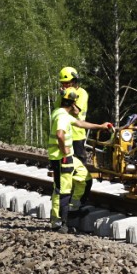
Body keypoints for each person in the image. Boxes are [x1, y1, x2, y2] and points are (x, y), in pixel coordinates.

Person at [48, 88, 114, 233]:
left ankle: (73, 211)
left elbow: (80, 123)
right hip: (61, 158)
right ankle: (60, 223)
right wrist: (64, 149)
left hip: (68, 156)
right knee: (62, 190)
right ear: (72, 104)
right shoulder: (62, 117)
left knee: (85, 178)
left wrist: (100, 126)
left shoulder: (61, 113)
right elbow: (60, 134)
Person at [59, 66, 90, 163]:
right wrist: (63, 96)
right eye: (63, 83)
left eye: (67, 83)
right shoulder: (63, 94)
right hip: (64, 133)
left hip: (77, 134)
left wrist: (68, 98)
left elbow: (76, 111)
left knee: (79, 162)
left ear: (74, 81)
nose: (65, 85)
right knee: (65, 162)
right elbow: (58, 109)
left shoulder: (82, 93)